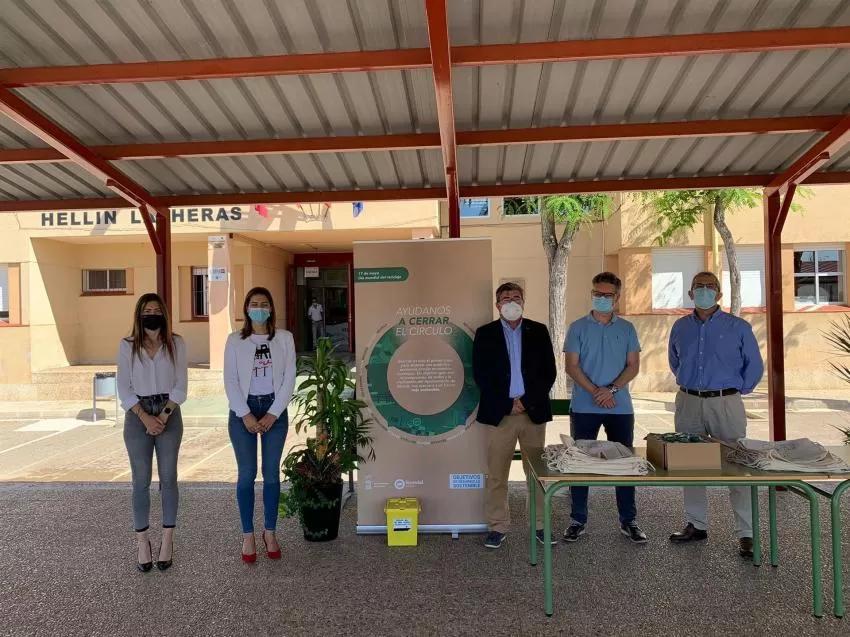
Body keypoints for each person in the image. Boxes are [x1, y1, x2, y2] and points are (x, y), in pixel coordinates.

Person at [668, 271, 764, 558]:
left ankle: (746, 533)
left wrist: (734, 391)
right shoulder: (680, 327)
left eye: (710, 286)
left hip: (725, 402)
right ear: (690, 293)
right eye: (699, 286)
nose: (704, 290)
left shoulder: (738, 327)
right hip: (689, 401)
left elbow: (754, 365)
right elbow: (675, 361)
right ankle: (696, 524)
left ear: (719, 293)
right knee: (690, 464)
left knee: (737, 464)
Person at [563, 272, 646, 544]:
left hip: (619, 407)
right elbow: (571, 366)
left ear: (617, 298)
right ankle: (577, 520)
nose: (601, 298)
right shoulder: (577, 327)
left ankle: (628, 520)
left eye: (607, 295)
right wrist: (596, 392)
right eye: (597, 293)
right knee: (580, 463)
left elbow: (633, 366)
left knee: (624, 464)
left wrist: (610, 390)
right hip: (584, 406)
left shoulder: (627, 329)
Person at [473, 282, 556, 549]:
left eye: (516, 297)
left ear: (523, 302)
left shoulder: (538, 331)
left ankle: (540, 525)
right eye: (506, 298)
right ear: (498, 305)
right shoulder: (485, 334)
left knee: (537, 474)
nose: (511, 302)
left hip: (533, 413)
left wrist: (525, 402)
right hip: (500, 415)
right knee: (497, 474)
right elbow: (480, 374)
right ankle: (497, 526)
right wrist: (507, 405)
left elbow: (549, 372)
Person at [224, 287, 296, 563]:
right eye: (254, 304)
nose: (259, 308)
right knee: (246, 474)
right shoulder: (235, 340)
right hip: (242, 411)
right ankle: (248, 535)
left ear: (271, 308)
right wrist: (245, 414)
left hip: (274, 410)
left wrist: (273, 414)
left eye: (264, 304)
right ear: (246, 308)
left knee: (272, 475)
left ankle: (270, 532)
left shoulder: (284, 339)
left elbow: (289, 378)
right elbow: (230, 380)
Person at [117, 293, 188, 572]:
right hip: (138, 415)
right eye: (147, 310)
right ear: (139, 314)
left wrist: (163, 415)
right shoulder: (127, 346)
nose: (152, 314)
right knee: (141, 480)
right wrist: (146, 417)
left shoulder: (176, 343)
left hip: (169, 411)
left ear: (164, 314)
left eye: (156, 310)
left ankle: (167, 540)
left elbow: (181, 385)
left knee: (169, 478)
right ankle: (143, 542)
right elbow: (123, 388)